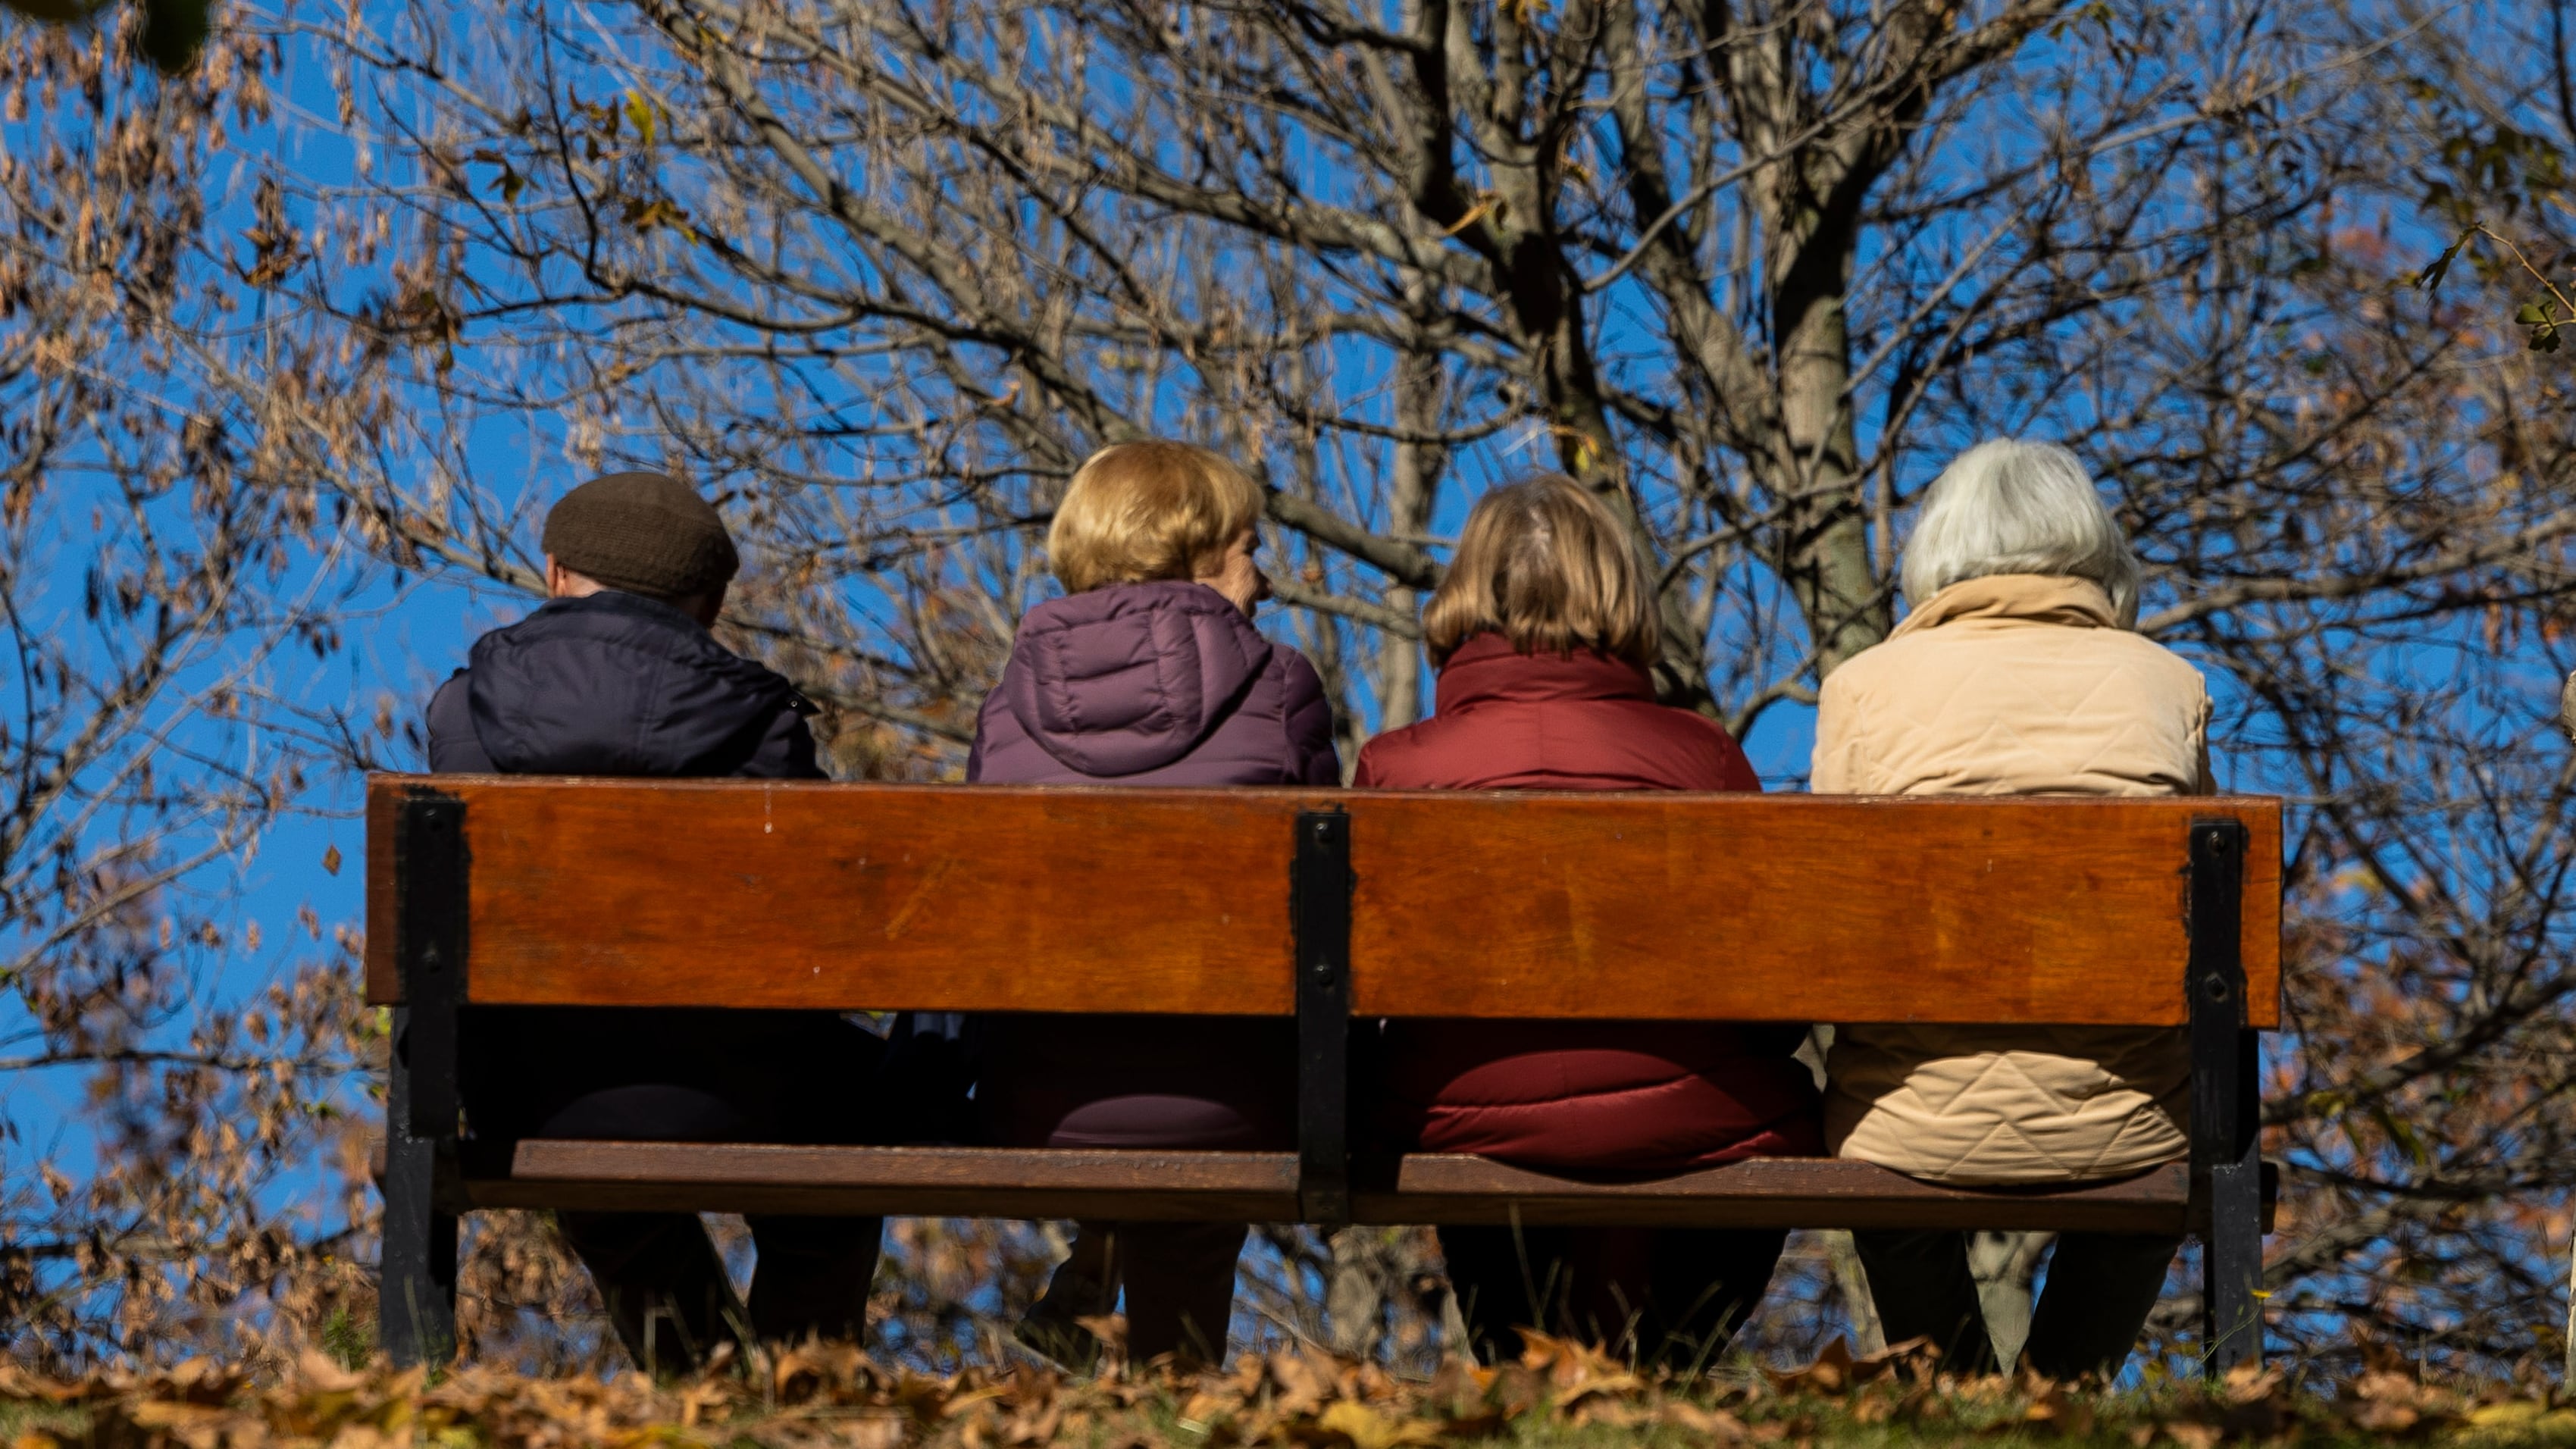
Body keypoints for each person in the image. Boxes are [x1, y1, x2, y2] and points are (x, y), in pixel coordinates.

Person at [1354, 474, 1820, 1367]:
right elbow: (1778, 996)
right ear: (1616, 591)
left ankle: (1528, 1364)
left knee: (1449, 1092)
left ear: (1465, 594)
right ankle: (1665, 1369)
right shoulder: (1702, 756)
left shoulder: (1396, 765)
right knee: (1778, 1100)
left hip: (1456, 1110)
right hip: (1690, 1112)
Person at [426, 471, 885, 1374]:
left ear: (555, 574)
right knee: (839, 1159)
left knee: (611, 1177)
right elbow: (816, 931)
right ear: (708, 603)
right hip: (746, 1087)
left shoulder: (462, 713)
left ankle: (708, 1389)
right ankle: (805, 1394)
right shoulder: (762, 727)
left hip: (535, 1097)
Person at [1814, 439, 2211, 1380]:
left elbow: (1827, 925)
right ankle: (2062, 1395)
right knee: (2164, 1161)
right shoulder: (2169, 686)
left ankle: (1956, 1395)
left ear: (1939, 551)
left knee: (1886, 1169)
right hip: (2131, 1118)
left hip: (1907, 1117)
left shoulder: (1864, 688)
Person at [969, 440, 1340, 1367]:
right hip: (1235, 1101)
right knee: (1208, 1075)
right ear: (1196, 551)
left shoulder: (1005, 708)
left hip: (1038, 1104)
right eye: (1253, 551)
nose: (1267, 582)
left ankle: (1102, 1255)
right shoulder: (1283, 683)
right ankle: (1172, 1385)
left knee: (1118, 1030)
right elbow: (1339, 904)